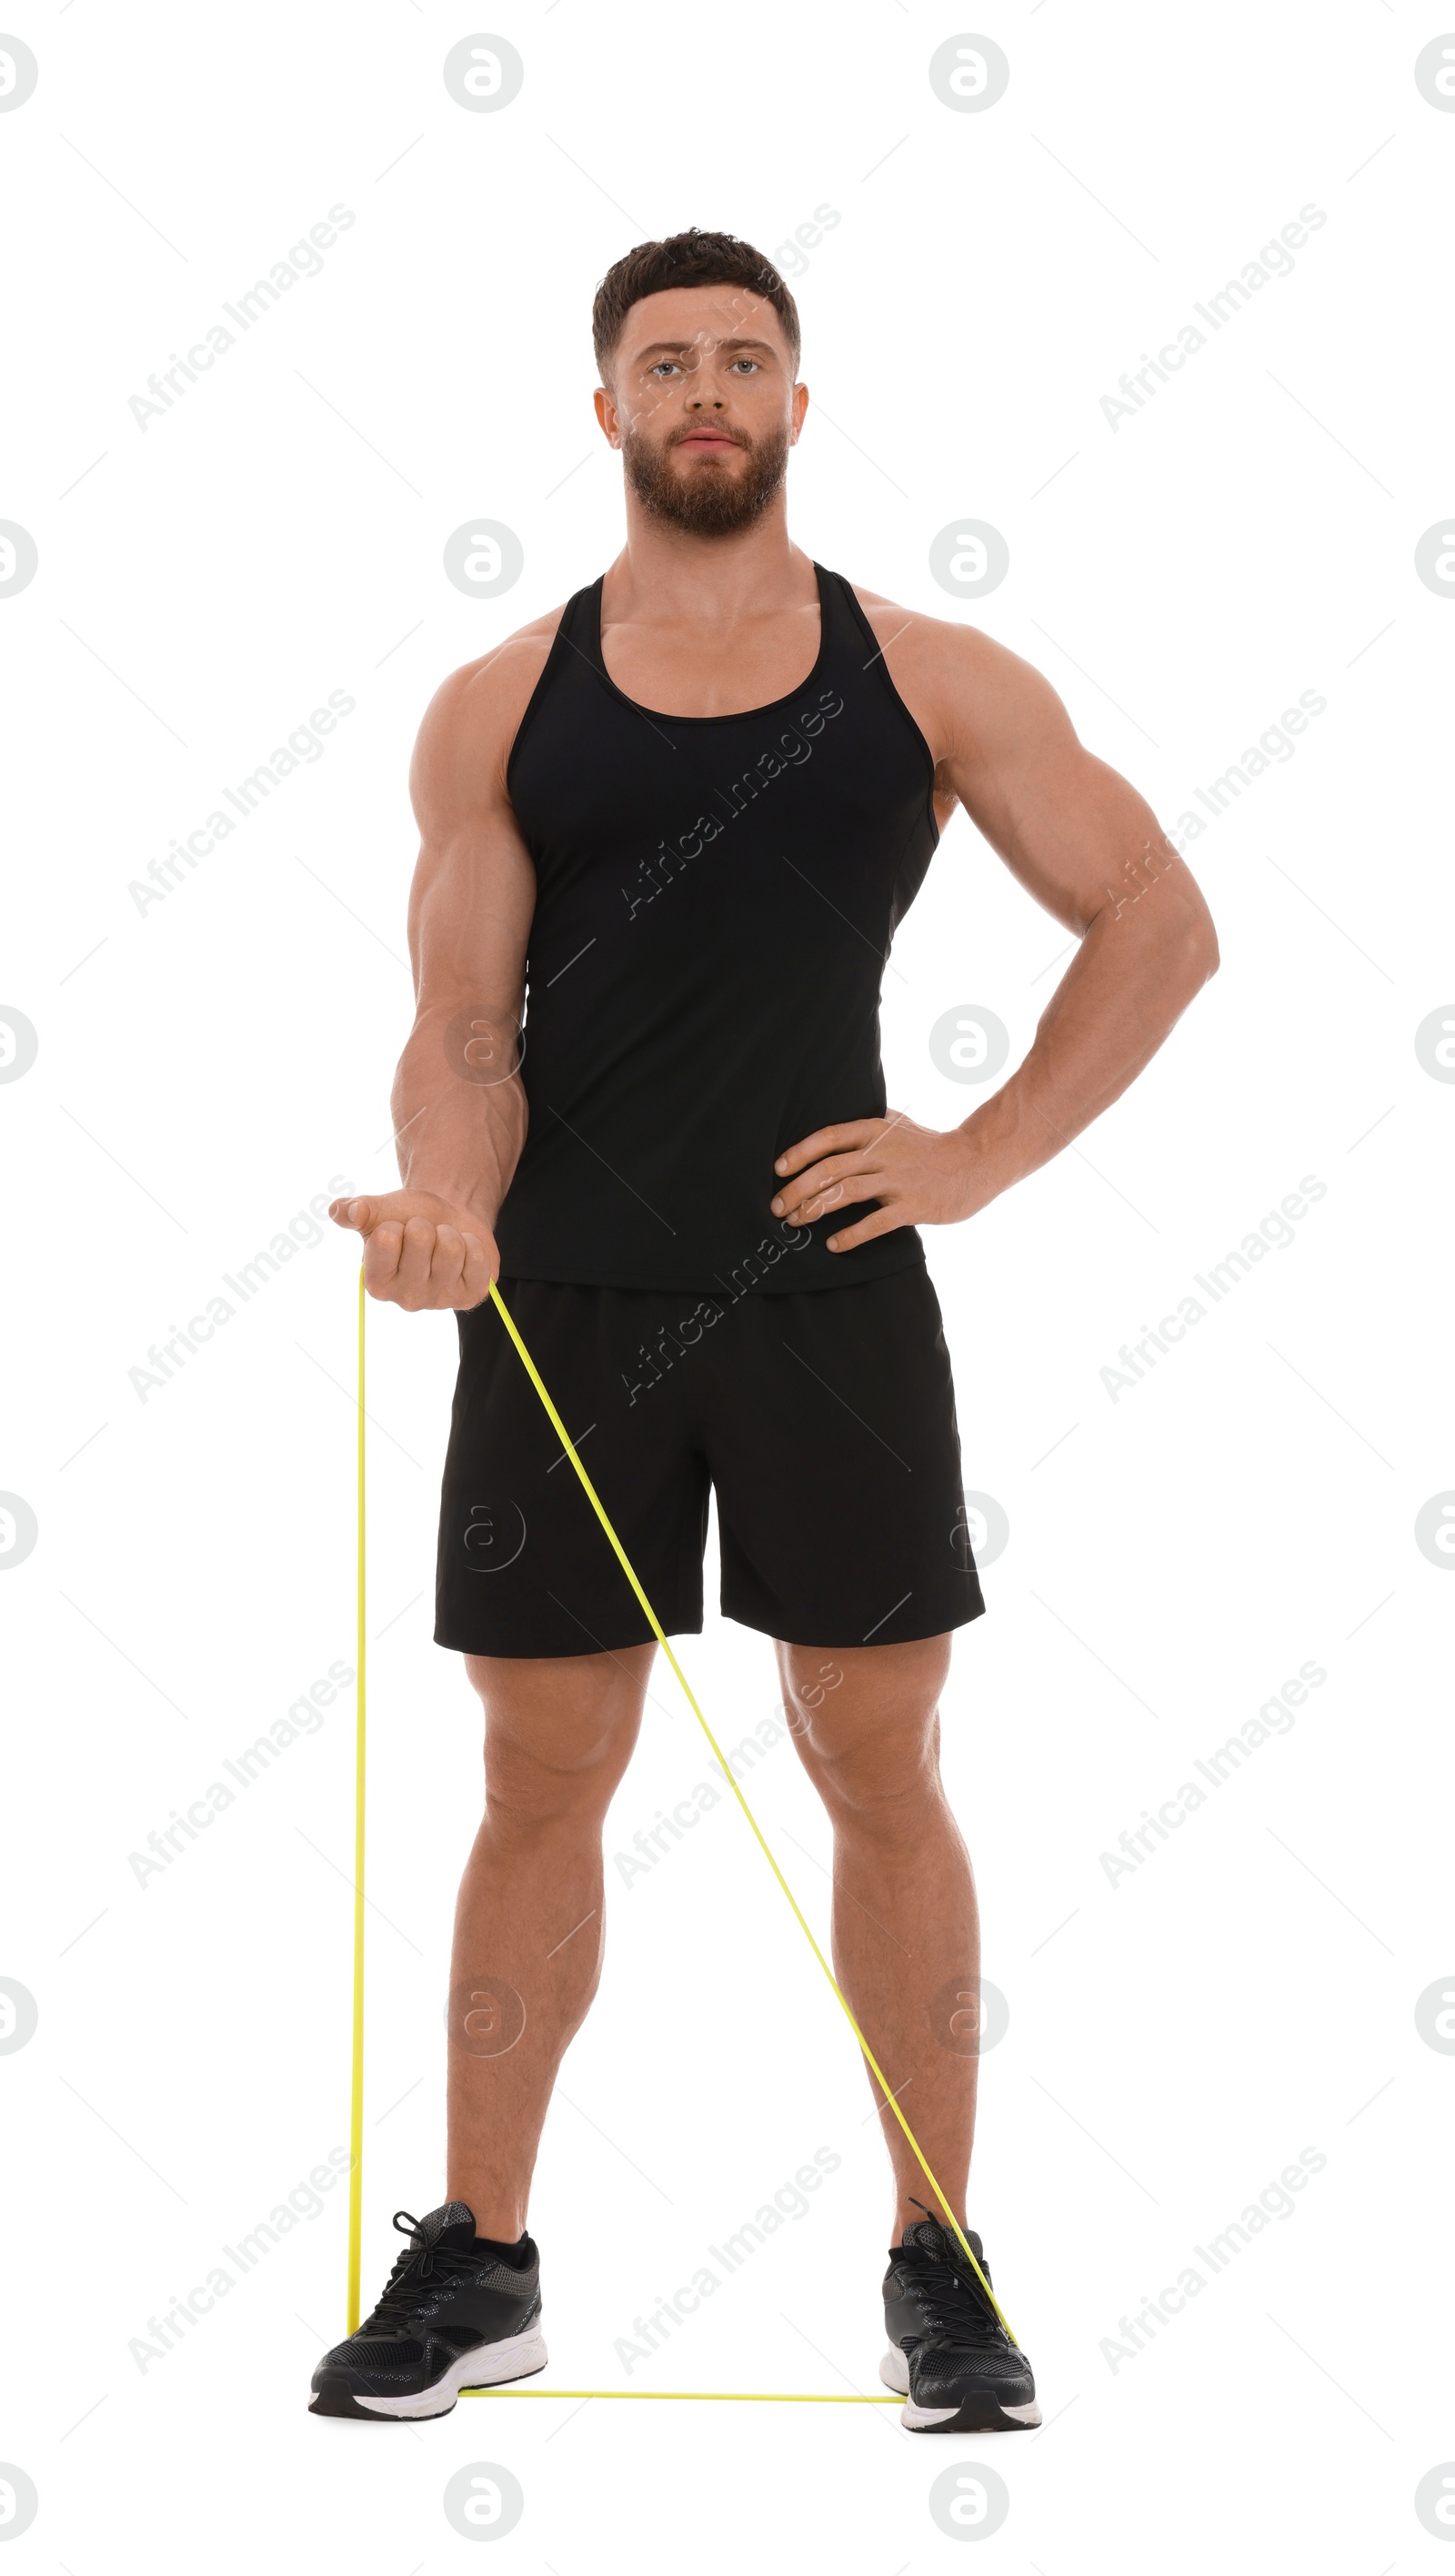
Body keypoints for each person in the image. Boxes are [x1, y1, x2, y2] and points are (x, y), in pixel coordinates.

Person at [309, 227, 1218, 2429]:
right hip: (564, 1310)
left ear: (797, 405)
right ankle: (484, 2265)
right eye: (661, 363)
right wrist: (444, 1200)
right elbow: (459, 1023)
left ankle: (939, 2267)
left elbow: (1156, 920)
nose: (702, 390)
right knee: (541, 1780)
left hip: (830, 1301)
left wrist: (978, 1154)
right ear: (605, 413)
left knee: (873, 1760)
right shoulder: (500, 704)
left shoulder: (927, 678)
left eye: (742, 360)